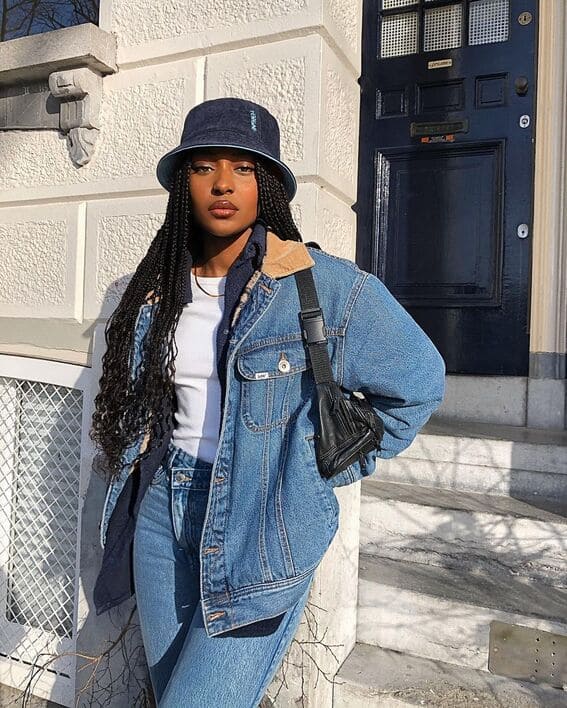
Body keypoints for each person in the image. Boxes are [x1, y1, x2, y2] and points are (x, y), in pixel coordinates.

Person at [90, 97, 446, 707]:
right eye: (204, 167)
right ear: (183, 184)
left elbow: (419, 379)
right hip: (161, 515)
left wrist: (322, 463)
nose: (223, 183)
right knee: (168, 689)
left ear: (269, 187)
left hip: (258, 531)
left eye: (244, 168)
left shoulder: (321, 285)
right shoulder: (151, 291)